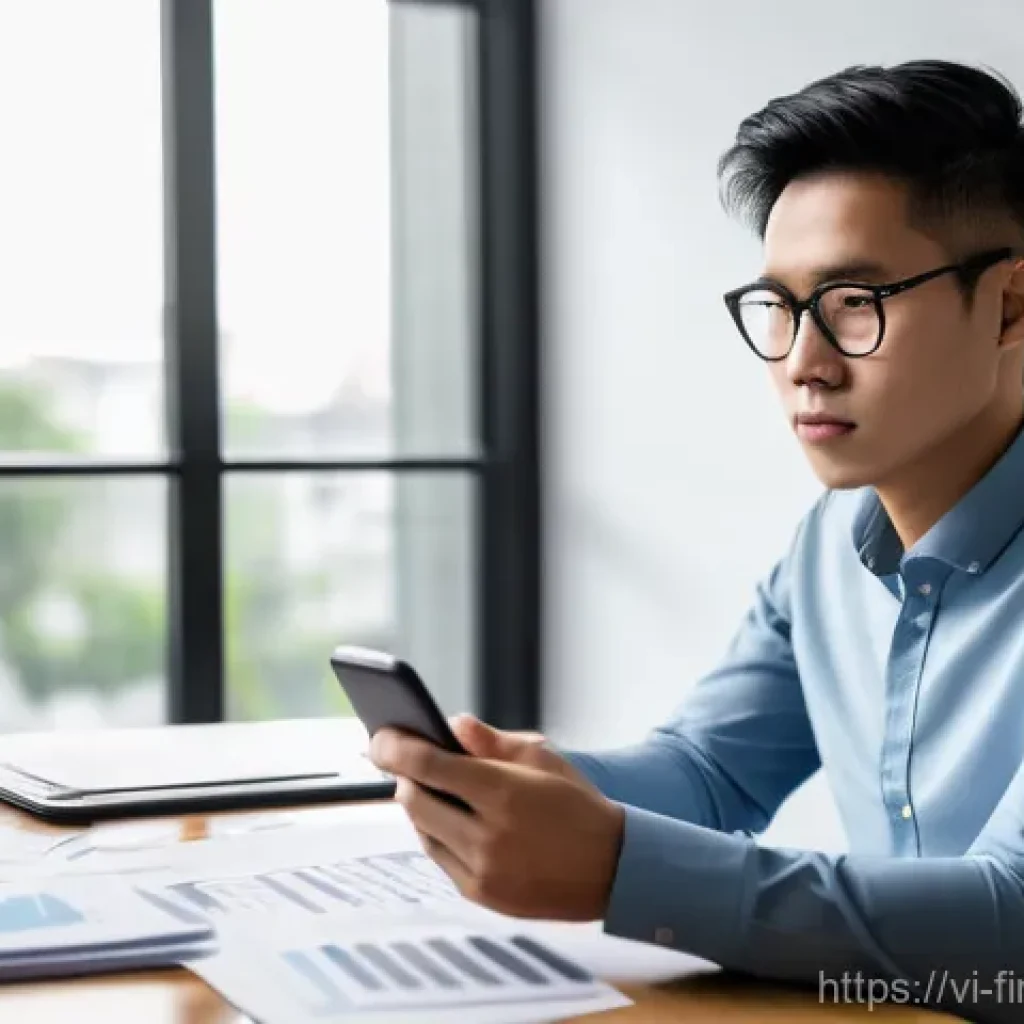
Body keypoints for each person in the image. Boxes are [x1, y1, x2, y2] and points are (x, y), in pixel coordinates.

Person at [369, 59, 1024, 1022]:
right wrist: (532, 785)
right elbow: (712, 773)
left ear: (1011, 305)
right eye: (783, 307)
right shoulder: (829, 546)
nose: (804, 362)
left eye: (854, 303)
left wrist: (623, 868)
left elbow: (1010, 923)